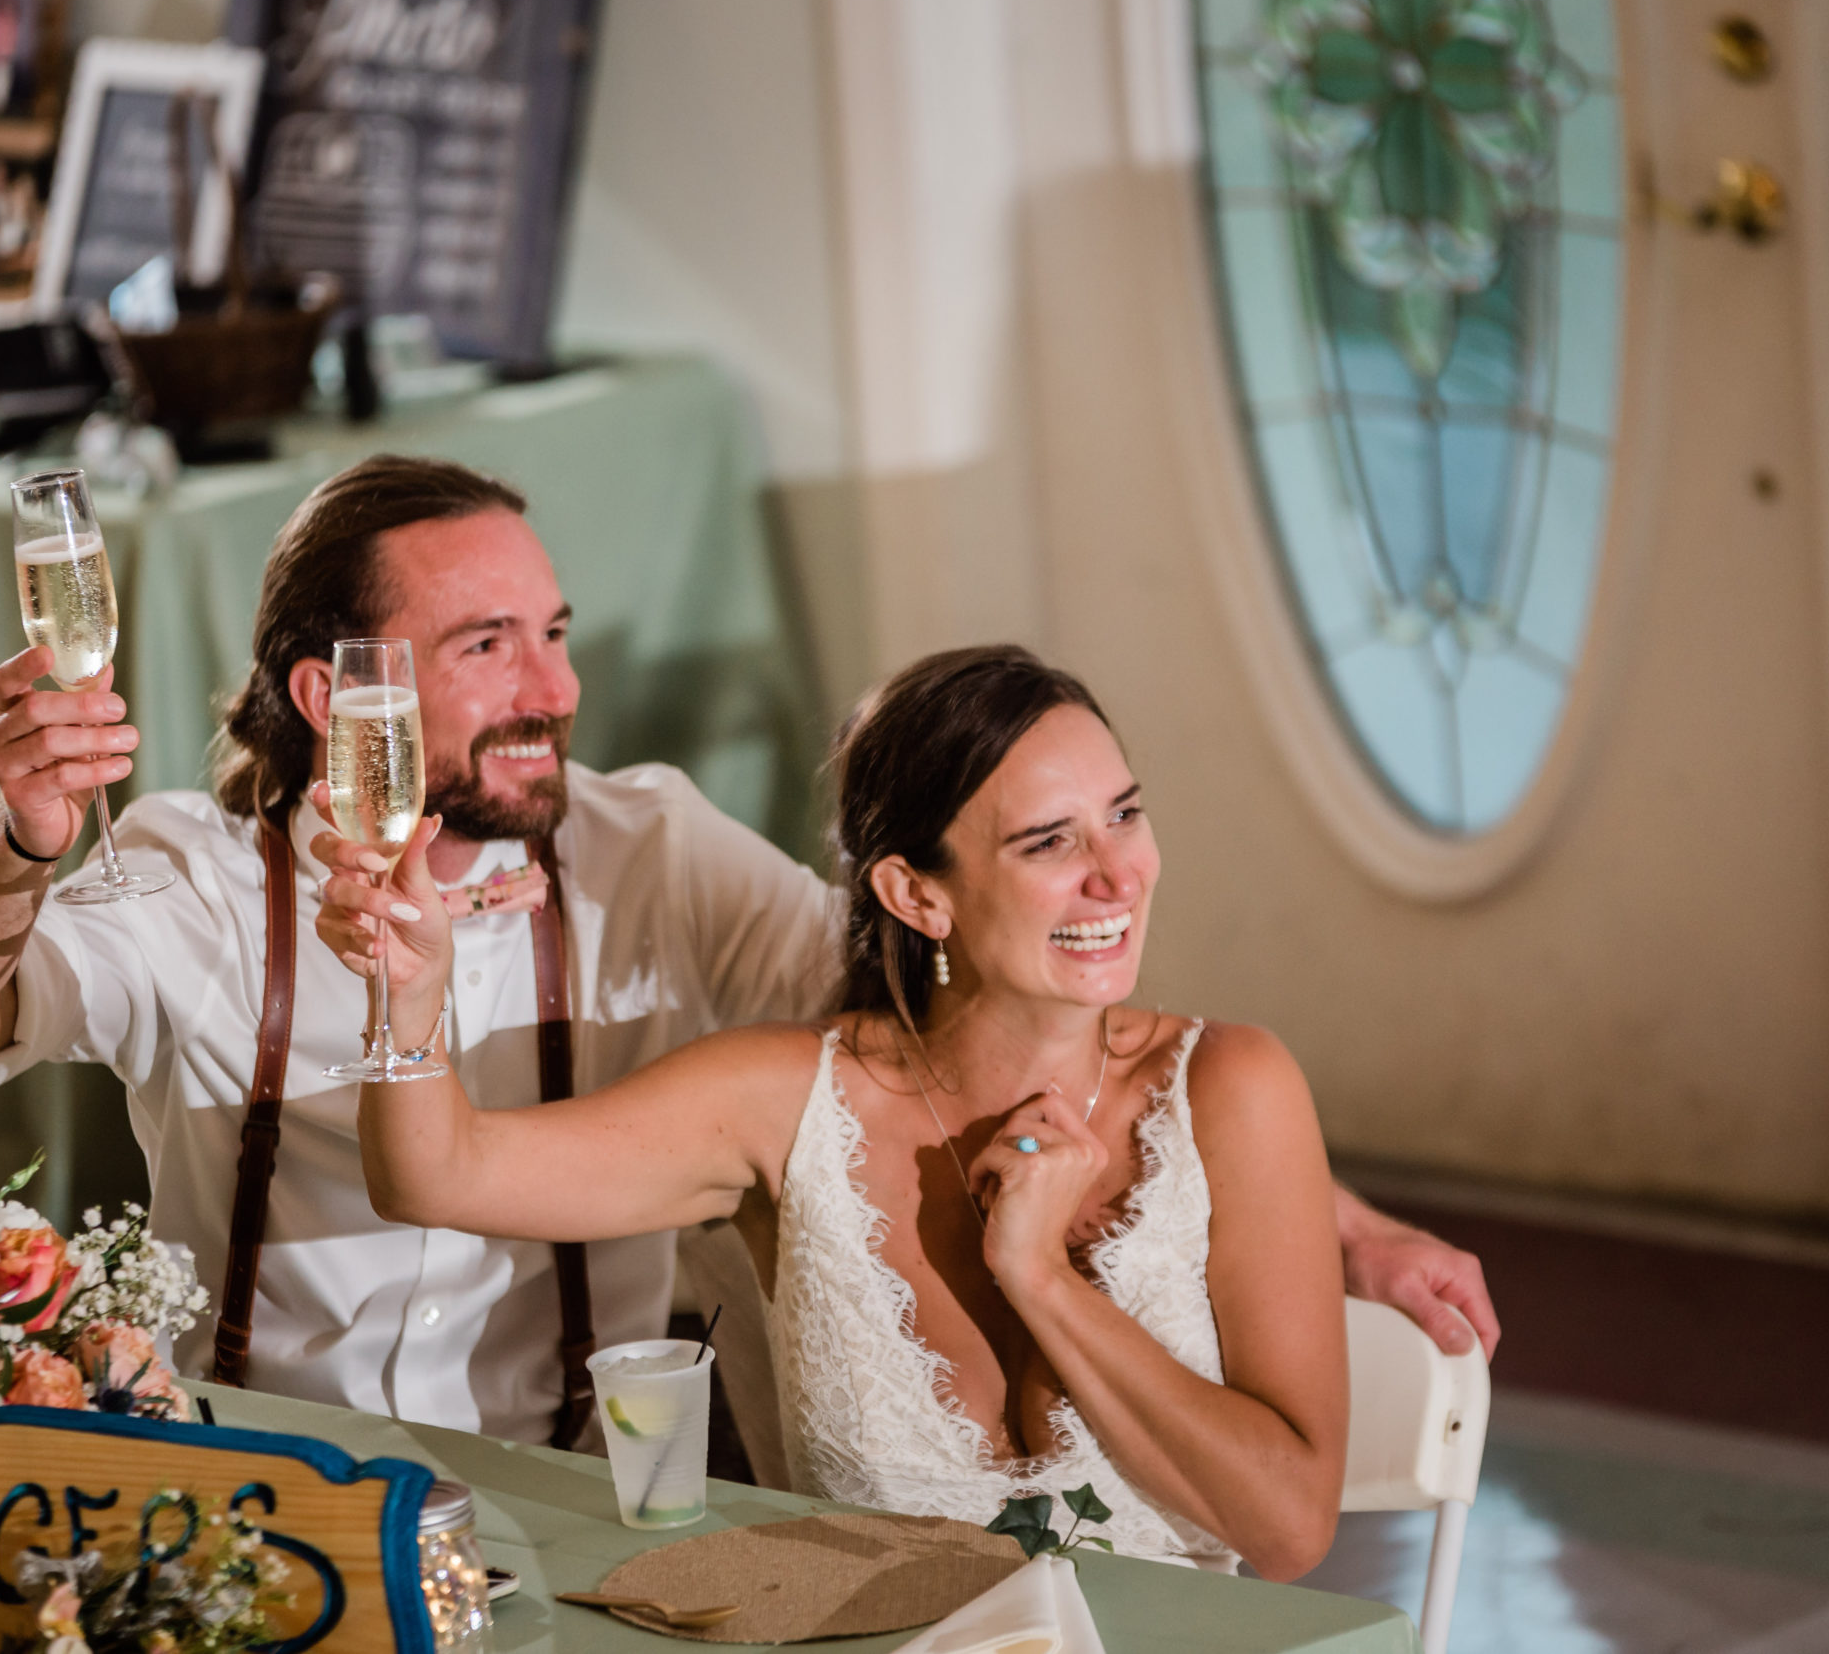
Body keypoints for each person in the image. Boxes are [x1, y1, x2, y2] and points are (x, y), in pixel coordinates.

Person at [0, 453, 1498, 1443]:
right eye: (489, 644)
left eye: (555, 635)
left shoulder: (647, 845)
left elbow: (957, 1043)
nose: (557, 689)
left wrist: (1331, 1222)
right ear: (332, 695)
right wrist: (17, 836)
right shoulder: (202, 886)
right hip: (269, 1488)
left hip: (598, 1497)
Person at [336, 647, 1342, 1574]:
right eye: (1049, 841)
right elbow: (435, 1171)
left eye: (1124, 812)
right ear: (916, 893)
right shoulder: (782, 1103)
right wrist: (409, 992)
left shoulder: (1231, 1087)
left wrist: (1041, 1277)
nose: (1118, 874)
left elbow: (1289, 1527)